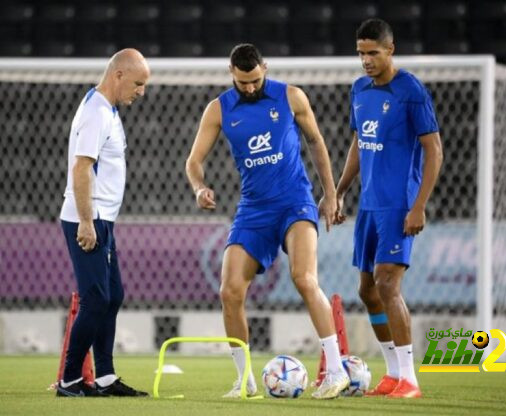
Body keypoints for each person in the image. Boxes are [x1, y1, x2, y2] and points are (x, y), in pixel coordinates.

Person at [185, 44, 350, 399]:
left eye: (255, 80)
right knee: (229, 292)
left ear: (265, 68)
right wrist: (199, 187)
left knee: (304, 278)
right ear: (231, 72)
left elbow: (316, 141)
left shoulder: (290, 96)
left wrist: (331, 194)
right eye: (242, 82)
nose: (249, 87)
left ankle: (336, 371)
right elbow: (194, 160)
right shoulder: (218, 109)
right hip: (254, 209)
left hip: (295, 203)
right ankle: (244, 381)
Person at [334, 19, 443, 399]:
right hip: (369, 204)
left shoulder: (410, 90)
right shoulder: (359, 90)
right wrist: (339, 190)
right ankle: (392, 373)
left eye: (373, 53)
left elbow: (434, 149)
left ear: (390, 50)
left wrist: (419, 206)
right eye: (361, 53)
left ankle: (410, 379)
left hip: (399, 203)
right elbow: (358, 142)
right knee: (366, 289)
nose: (366, 60)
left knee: (387, 283)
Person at [56, 48, 151, 397]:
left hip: (102, 219)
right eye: (138, 83)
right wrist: (85, 221)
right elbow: (81, 167)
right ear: (119, 75)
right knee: (96, 299)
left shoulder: (107, 109)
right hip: (88, 218)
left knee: (112, 296)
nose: (141, 92)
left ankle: (106, 377)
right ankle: (69, 379)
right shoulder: (96, 112)